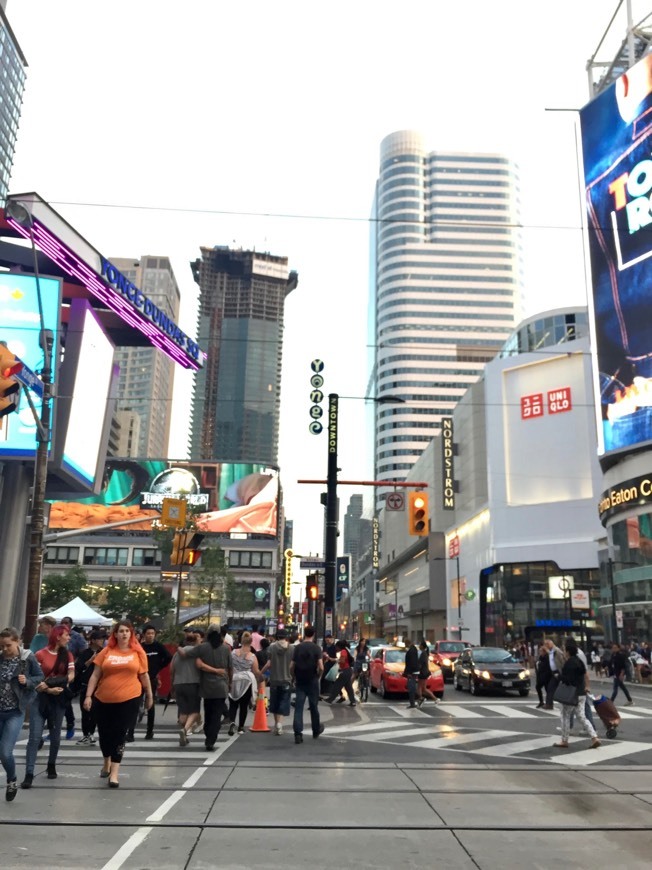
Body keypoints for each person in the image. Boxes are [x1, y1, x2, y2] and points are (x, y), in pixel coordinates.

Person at [83, 620, 152, 788]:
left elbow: (144, 675)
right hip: (103, 699)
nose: (124, 634)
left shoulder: (138, 653)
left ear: (132, 634)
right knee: (105, 735)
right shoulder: (106, 652)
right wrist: (88, 696)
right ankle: (106, 760)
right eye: (121, 631)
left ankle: (114, 773)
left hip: (129, 699)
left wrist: (149, 695)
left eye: (127, 631)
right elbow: (95, 675)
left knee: (120, 734)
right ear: (115, 634)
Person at [23, 624, 75, 786]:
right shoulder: (40, 654)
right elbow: (34, 678)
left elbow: (71, 675)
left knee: (55, 734)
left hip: (58, 698)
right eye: (67, 635)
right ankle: (29, 773)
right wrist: (46, 688)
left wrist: (53, 685)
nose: (69, 638)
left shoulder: (67, 655)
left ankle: (51, 764)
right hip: (40, 698)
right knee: (34, 736)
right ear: (58, 636)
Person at [0, 627, 43, 802]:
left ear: (17, 642)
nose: (4, 649)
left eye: (7, 645)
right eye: (1, 646)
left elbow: (40, 676)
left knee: (5, 751)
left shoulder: (27, 659)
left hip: (14, 712)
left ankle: (12, 780)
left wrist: (28, 681)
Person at [182, 626, 232, 750]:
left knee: (208, 713)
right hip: (221, 686)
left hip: (207, 687)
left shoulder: (202, 647)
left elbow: (186, 654)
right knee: (217, 715)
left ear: (207, 634)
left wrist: (178, 646)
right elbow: (230, 668)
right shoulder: (226, 649)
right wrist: (230, 683)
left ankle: (208, 734)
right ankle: (211, 739)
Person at [553, 639, 600, 750]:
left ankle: (564, 740)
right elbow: (584, 675)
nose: (563, 652)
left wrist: (558, 676)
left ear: (568, 651)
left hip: (571, 694)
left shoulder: (569, 664)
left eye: (564, 650)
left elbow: (568, 680)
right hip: (581, 693)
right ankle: (594, 737)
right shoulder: (579, 661)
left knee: (565, 716)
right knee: (582, 716)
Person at [129, 624, 172, 741]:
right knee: (135, 705)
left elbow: (169, 657)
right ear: (144, 634)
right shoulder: (140, 647)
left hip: (152, 679)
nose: (150, 636)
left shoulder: (158, 646)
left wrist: (159, 667)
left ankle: (149, 731)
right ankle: (130, 733)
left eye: (152, 634)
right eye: (148, 633)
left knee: (150, 705)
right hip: (139, 679)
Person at [291, 625, 324, 744]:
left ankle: (298, 734)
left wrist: (293, 676)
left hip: (300, 680)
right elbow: (321, 666)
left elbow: (291, 666)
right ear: (313, 634)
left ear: (304, 633)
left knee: (299, 707)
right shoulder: (316, 648)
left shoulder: (298, 647)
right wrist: (318, 676)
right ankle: (316, 730)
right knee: (314, 706)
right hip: (312, 680)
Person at [72, 631, 106, 745]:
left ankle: (91, 733)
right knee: (85, 711)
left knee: (95, 712)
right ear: (93, 640)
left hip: (100, 686)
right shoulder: (85, 653)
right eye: (99, 639)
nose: (102, 641)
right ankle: (85, 734)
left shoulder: (104, 652)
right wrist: (90, 660)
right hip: (85, 685)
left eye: (103, 639)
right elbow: (79, 667)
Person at [172, 628, 203, 747]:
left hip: (178, 684)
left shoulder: (176, 654)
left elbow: (171, 670)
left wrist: (172, 685)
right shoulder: (197, 652)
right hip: (193, 683)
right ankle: (185, 730)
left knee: (183, 710)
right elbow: (201, 666)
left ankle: (184, 729)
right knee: (194, 711)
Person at [261, 629, 294, 734]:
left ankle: (277, 725)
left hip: (274, 679)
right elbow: (293, 665)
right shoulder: (292, 648)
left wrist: (260, 673)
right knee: (283, 702)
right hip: (286, 679)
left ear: (276, 636)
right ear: (286, 637)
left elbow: (269, 664)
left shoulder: (271, 647)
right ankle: (279, 725)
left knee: (275, 703)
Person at [227, 631, 260, 735]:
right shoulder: (252, 656)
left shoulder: (233, 653)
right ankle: (241, 727)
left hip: (234, 680)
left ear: (241, 641)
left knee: (233, 704)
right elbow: (255, 671)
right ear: (251, 642)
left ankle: (232, 722)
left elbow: (229, 667)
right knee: (244, 706)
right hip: (246, 682)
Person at [325, 640, 356, 707]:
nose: (336, 648)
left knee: (337, 685)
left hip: (345, 671)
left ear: (339, 646)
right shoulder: (345, 651)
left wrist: (337, 661)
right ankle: (353, 701)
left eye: (336, 647)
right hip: (348, 671)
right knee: (348, 688)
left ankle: (330, 699)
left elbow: (342, 661)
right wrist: (331, 658)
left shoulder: (343, 651)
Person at [544, 639, 564, 709]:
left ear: (551, 644)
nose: (546, 646)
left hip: (558, 672)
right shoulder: (551, 652)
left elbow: (562, 661)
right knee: (551, 688)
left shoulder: (557, 651)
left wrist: (562, 672)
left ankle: (549, 704)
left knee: (555, 688)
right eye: (546, 645)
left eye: (547, 644)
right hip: (553, 672)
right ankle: (549, 704)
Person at [417, 640, 437, 706]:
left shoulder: (423, 654)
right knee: (424, 688)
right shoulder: (425, 653)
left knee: (419, 687)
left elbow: (420, 664)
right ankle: (435, 699)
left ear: (422, 646)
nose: (419, 646)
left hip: (422, 673)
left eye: (420, 645)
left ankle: (421, 699)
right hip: (425, 672)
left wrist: (416, 669)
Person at [403, 637, 420, 708]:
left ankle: (413, 703)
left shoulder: (411, 651)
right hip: (414, 671)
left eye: (405, 643)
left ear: (407, 643)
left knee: (411, 687)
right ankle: (416, 700)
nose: (404, 645)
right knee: (412, 687)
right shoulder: (413, 649)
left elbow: (411, 662)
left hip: (412, 672)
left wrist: (409, 672)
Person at [535, 644, 551, 708]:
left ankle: (548, 703)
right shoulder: (540, 658)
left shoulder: (547, 658)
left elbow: (545, 667)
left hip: (545, 677)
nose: (540, 652)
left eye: (541, 651)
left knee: (547, 690)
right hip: (540, 676)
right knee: (538, 687)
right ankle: (541, 702)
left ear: (544, 652)